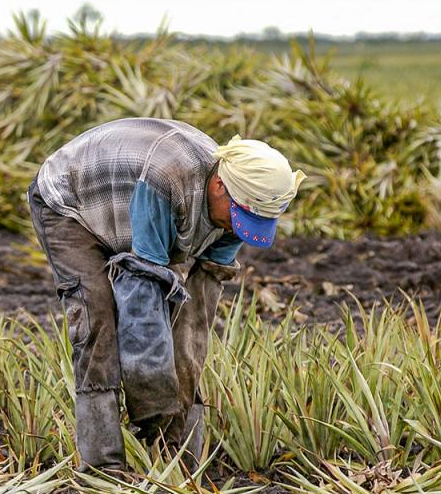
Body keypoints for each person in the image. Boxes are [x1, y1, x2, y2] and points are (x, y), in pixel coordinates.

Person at [26, 118, 305, 471]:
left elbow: (195, 317)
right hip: (71, 203)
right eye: (240, 218)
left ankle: (182, 459)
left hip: (130, 206)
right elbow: (141, 300)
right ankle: (102, 468)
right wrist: (155, 409)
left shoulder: (241, 211)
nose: (239, 230)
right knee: (97, 322)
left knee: (177, 326)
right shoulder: (169, 178)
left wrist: (182, 399)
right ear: (219, 185)